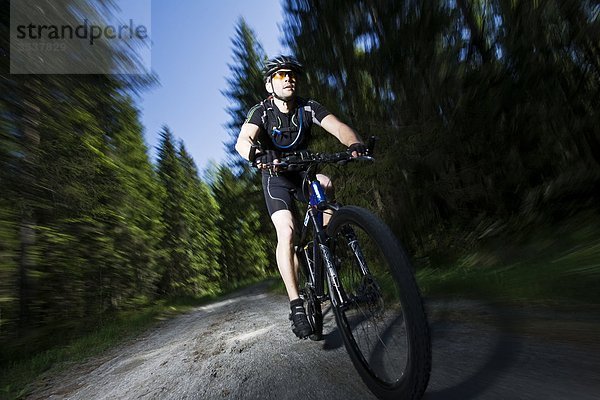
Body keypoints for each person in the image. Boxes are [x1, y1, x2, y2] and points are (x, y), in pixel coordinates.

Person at [235, 55, 366, 339]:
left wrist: (354, 143)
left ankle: (324, 245)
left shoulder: (308, 107)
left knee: (327, 184)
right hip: (276, 178)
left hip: (304, 174)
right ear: (270, 84)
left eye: (292, 74)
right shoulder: (262, 111)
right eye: (281, 75)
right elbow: (242, 141)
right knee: (288, 231)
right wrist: (256, 154)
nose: (289, 78)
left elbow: (338, 127)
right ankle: (296, 304)